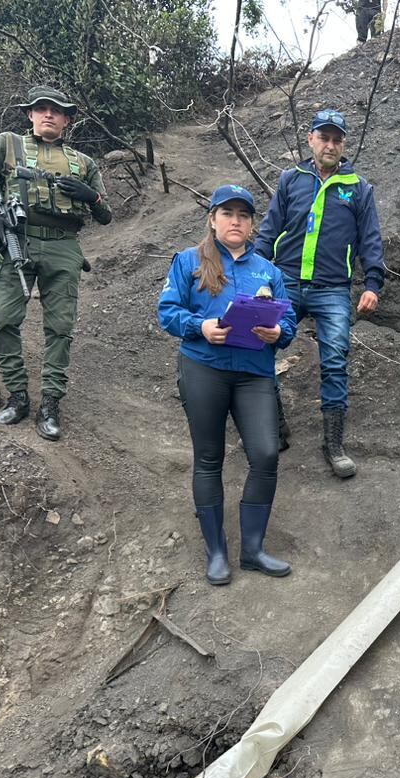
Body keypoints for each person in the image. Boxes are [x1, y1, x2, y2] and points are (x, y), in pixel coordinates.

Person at [158, 185, 298, 585]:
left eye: (243, 214)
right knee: (209, 458)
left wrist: (278, 333)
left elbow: (288, 323)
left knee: (266, 454)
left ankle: (252, 550)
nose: (235, 221)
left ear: (252, 223)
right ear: (213, 219)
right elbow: (167, 312)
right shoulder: (189, 262)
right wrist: (199, 326)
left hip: (254, 372)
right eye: (227, 213)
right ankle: (216, 551)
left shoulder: (268, 270)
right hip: (205, 367)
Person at [0, 85, 113, 441]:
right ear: (30, 115)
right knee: (2, 320)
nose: (48, 114)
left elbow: (106, 214)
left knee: (60, 328)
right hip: (17, 239)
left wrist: (89, 195)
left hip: (64, 247)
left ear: (66, 120)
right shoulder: (8, 143)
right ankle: (18, 397)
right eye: (41, 108)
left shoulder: (83, 163)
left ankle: (50, 402)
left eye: (56, 110)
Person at [253, 109, 386, 479]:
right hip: (285, 281)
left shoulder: (358, 188)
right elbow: (268, 231)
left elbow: (371, 241)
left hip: (332, 288)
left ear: (343, 145)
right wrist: (257, 274)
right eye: (323, 137)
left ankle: (334, 443)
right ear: (310, 139)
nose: (330, 145)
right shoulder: (290, 180)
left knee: (334, 359)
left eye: (336, 139)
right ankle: (273, 427)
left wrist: (372, 284)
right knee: (261, 348)